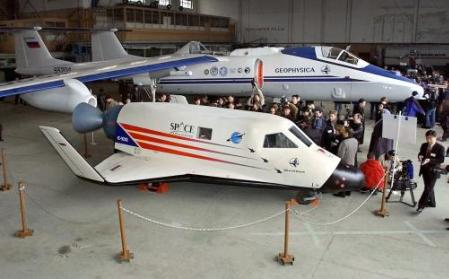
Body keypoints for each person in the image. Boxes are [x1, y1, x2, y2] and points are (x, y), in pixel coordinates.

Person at [416, 130, 445, 213]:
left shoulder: (440, 148)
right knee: (428, 186)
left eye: (430, 138)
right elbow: (420, 153)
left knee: (428, 188)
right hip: (424, 169)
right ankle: (432, 203)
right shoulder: (424, 145)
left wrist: (430, 160)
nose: (428, 140)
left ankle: (421, 205)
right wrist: (420, 156)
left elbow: (441, 159)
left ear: (435, 138)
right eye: (427, 138)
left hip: (433, 171)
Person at [334, 126, 359, 197]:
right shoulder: (355, 140)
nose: (342, 133)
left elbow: (340, 155)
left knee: (343, 178)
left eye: (344, 132)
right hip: (352, 161)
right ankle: (348, 191)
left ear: (347, 133)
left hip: (344, 163)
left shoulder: (344, 142)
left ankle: (342, 193)